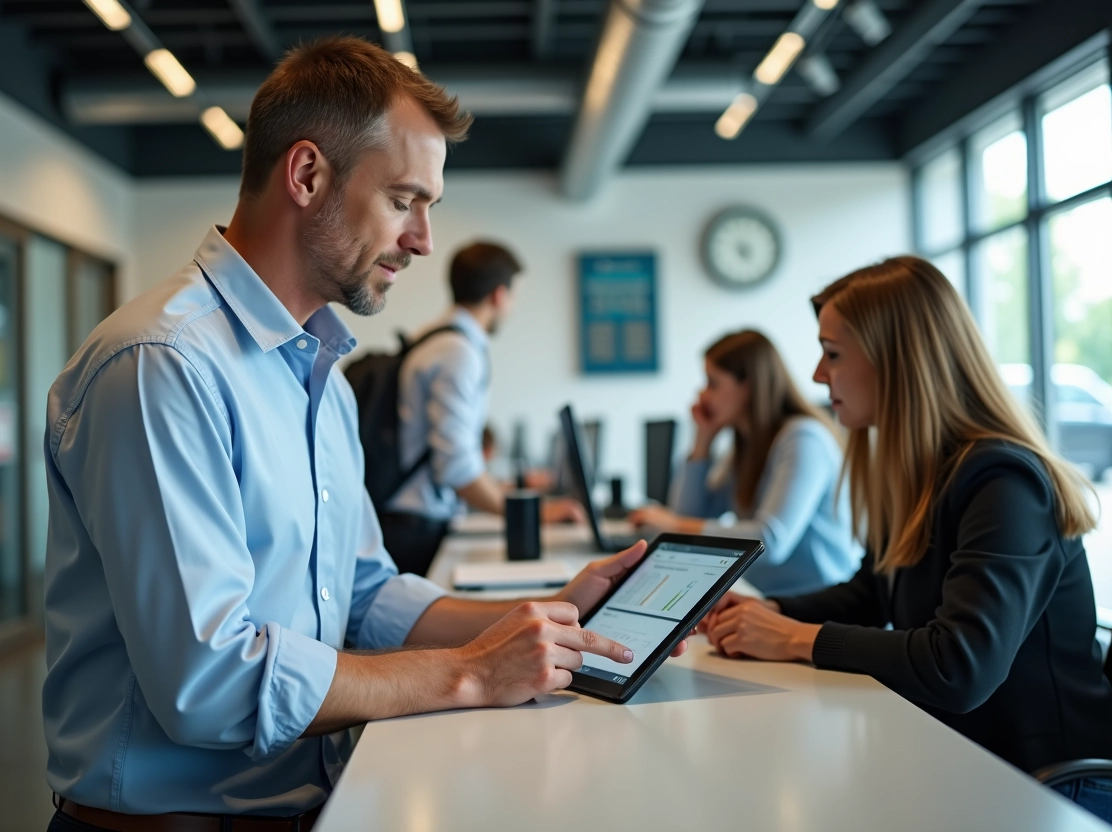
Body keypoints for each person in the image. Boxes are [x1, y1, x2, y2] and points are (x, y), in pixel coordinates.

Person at [40, 38, 680, 832]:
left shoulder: (320, 373)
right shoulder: (163, 366)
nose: (423, 242)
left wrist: (543, 613)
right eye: (405, 200)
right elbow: (207, 684)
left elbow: (365, 595)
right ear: (307, 176)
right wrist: (468, 676)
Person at [700, 258, 1112, 808]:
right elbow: (872, 591)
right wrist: (769, 609)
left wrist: (793, 638)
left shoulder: (1004, 481)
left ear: (897, 362)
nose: (820, 376)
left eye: (834, 354)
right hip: (964, 755)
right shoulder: (924, 471)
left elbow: (959, 665)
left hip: (1044, 786)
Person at [382, 241, 583, 576]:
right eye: (515, 296)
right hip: (415, 532)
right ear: (499, 295)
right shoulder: (457, 352)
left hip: (410, 523)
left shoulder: (436, 338)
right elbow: (458, 468)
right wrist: (535, 513)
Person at [629, 330, 861, 596]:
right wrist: (702, 440)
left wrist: (672, 525)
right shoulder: (744, 446)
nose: (703, 395)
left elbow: (771, 542)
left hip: (821, 606)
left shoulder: (803, 439)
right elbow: (690, 515)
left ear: (748, 385)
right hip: (771, 600)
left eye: (712, 383)